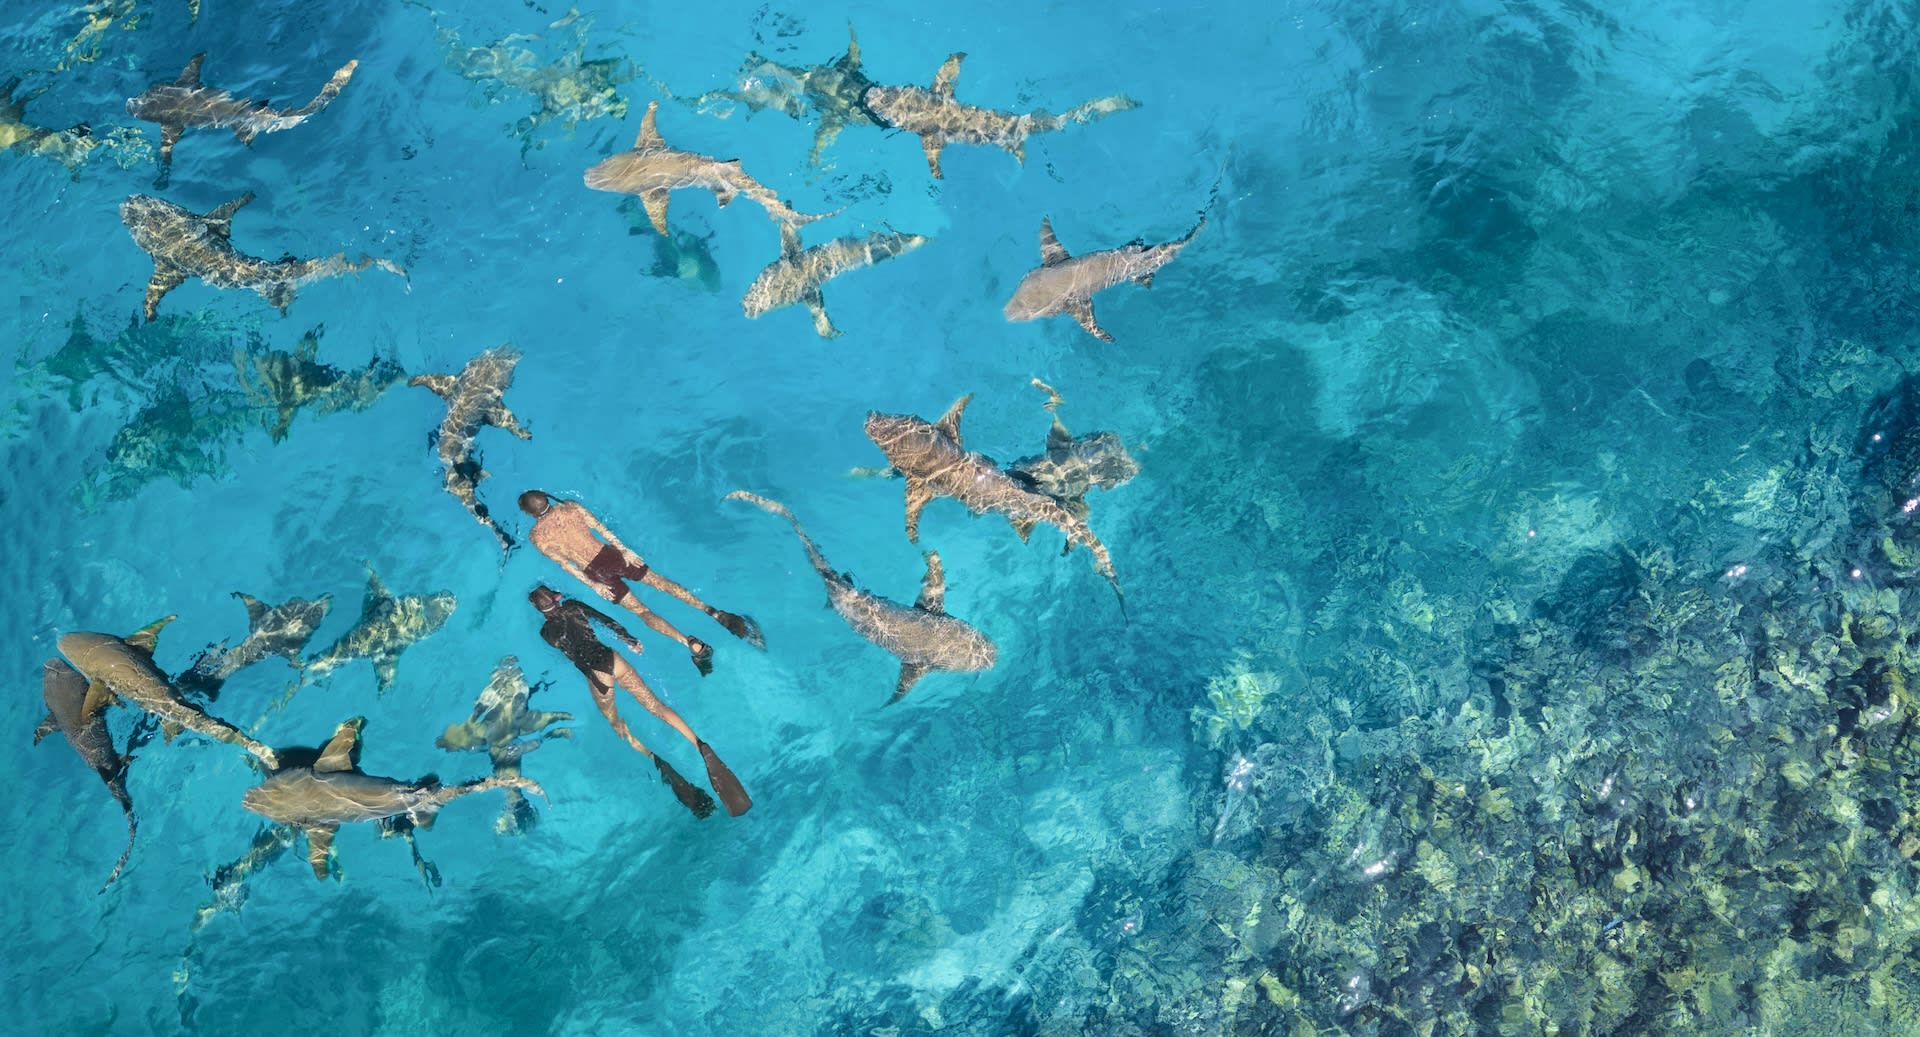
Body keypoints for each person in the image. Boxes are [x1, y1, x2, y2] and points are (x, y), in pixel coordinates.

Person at [529, 585, 751, 817]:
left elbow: (565, 644)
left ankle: (654, 758)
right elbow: (605, 620)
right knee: (656, 706)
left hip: (597, 675)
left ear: (539, 610)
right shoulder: (573, 606)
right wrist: (629, 639)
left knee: (616, 723)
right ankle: (699, 744)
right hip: (612, 658)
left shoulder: (546, 633)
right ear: (557, 597)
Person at [520, 489, 764, 676]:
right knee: (662, 583)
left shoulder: (537, 537)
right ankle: (713, 613)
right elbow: (601, 528)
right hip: (612, 555)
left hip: (595, 573)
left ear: (530, 513)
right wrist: (624, 550)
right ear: (546, 499)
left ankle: (689, 643)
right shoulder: (571, 507)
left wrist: (595, 585)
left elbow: (566, 565)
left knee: (641, 611)